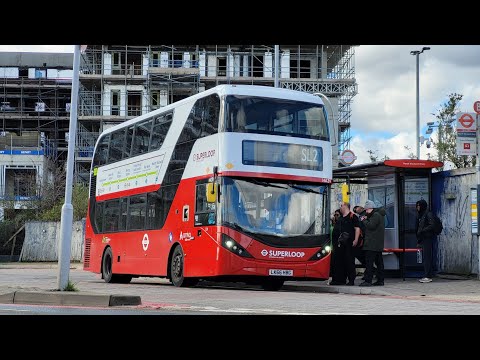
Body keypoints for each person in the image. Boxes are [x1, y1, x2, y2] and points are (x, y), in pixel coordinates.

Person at [330, 202, 361, 286]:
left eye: (341, 206)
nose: (340, 208)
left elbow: (357, 229)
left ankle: (351, 280)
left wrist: (355, 240)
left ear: (345, 206)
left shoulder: (352, 217)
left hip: (349, 244)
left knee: (349, 261)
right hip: (339, 245)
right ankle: (339, 279)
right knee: (339, 262)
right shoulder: (340, 218)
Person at [359, 199, 386, 287]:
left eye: (367, 210)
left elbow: (371, 226)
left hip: (372, 244)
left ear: (371, 208)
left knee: (369, 263)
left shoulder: (375, 215)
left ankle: (368, 280)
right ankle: (380, 280)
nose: (366, 212)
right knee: (379, 262)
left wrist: (364, 220)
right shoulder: (378, 215)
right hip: (377, 244)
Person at [416, 199, 435, 283]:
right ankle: (427, 274)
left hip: (427, 238)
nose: (417, 207)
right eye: (417, 206)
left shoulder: (428, 214)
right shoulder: (420, 215)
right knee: (425, 257)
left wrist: (423, 230)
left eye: (419, 205)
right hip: (423, 238)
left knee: (427, 257)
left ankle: (427, 275)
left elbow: (432, 225)